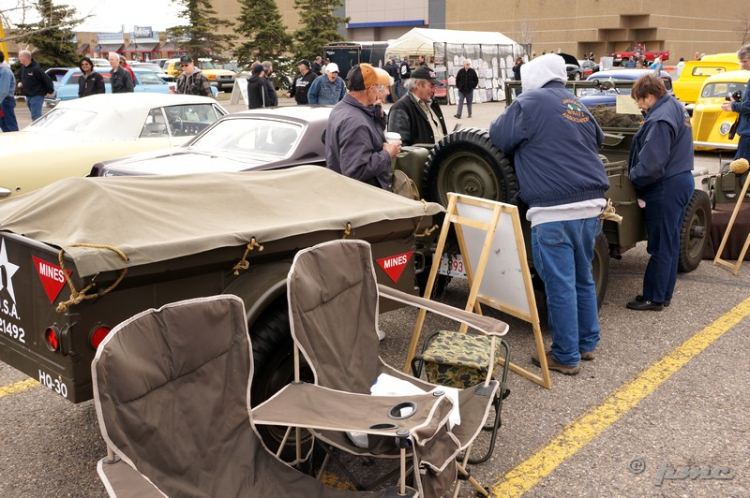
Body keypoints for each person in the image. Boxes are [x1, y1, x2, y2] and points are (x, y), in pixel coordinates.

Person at [489, 54, 609, 375]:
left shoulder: (528, 102)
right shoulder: (576, 103)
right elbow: (598, 138)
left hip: (553, 209)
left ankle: (565, 355)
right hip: (591, 206)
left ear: (530, 78)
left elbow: (498, 135)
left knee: (559, 283)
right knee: (582, 276)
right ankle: (587, 343)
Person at [627, 74, 695, 312]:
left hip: (666, 186)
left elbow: (651, 165)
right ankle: (663, 294)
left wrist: (632, 178)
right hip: (681, 180)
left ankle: (653, 297)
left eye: (640, 101)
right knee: (670, 242)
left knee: (660, 245)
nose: (639, 106)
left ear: (649, 95)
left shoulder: (659, 119)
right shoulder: (676, 107)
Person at [325, 63, 400, 189]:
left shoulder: (341, 108)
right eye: (377, 87)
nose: (379, 91)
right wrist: (387, 154)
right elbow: (356, 172)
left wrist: (378, 116)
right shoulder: (356, 122)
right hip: (364, 197)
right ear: (370, 90)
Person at [388, 65, 447, 146]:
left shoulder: (432, 103)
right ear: (418, 85)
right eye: (431, 86)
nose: (434, 90)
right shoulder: (401, 107)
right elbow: (401, 148)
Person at [721, 45, 750, 163]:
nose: (742, 65)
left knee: (740, 167)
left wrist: (732, 106)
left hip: (748, 133)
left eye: (745, 61)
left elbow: (748, 106)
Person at [16, 49, 55, 121]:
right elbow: (20, 77)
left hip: (37, 95)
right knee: (33, 115)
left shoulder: (36, 69)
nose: (18, 58)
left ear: (25, 57)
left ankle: (39, 129)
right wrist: (20, 82)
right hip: (28, 96)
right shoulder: (22, 68)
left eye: (20, 56)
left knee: (36, 116)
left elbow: (47, 80)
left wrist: (50, 91)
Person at [0, 51, 19, 132]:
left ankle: (16, 143)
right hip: (2, 101)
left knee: (10, 125)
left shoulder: (5, 71)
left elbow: (3, 90)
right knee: (3, 124)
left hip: (6, 101)